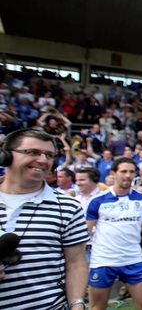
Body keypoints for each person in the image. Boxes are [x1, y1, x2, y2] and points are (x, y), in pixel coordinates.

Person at [0, 128, 90, 310]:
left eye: (49, 155)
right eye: (32, 152)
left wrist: (77, 305)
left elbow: (76, 263)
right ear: (6, 157)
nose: (42, 160)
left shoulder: (67, 206)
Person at [85, 157, 142, 310]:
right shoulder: (97, 201)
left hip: (133, 259)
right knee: (97, 307)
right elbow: (85, 233)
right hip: (103, 261)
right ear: (113, 173)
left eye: (131, 172)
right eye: (123, 171)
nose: (128, 175)